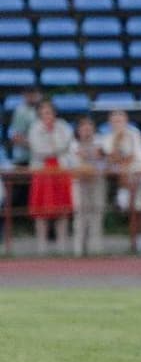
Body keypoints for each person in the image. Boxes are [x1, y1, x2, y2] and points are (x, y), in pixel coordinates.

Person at [102, 109, 141, 252]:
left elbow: (131, 157)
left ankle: (140, 239)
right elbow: (112, 158)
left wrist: (119, 158)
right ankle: (134, 239)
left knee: (138, 205)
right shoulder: (107, 138)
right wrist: (117, 141)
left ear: (126, 121)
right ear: (110, 123)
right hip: (124, 175)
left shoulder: (134, 133)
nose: (118, 123)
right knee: (132, 205)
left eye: (121, 120)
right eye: (115, 121)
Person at [26, 100, 75, 253]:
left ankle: (63, 246)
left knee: (62, 210)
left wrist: (53, 144)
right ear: (39, 113)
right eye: (44, 112)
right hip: (42, 172)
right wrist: (54, 147)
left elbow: (66, 144)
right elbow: (38, 148)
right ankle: (41, 246)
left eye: (49, 112)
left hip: (61, 170)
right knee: (41, 211)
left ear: (55, 113)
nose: (47, 115)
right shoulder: (34, 128)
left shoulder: (63, 126)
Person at [69, 116, 108, 256]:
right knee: (80, 215)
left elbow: (103, 158)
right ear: (78, 130)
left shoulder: (100, 141)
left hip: (96, 181)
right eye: (83, 127)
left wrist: (96, 154)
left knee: (97, 214)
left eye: (89, 127)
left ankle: (96, 250)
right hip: (79, 182)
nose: (86, 130)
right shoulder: (73, 144)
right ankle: (78, 250)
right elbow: (73, 163)